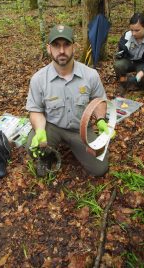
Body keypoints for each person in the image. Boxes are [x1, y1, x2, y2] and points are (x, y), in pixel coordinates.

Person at [25, 24, 110, 177]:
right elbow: (36, 110)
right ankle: (48, 153)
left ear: (74, 47)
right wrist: (39, 131)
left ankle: (76, 147)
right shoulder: (38, 79)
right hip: (53, 126)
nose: (62, 51)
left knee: (100, 169)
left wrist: (101, 120)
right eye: (56, 45)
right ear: (48, 48)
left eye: (66, 45)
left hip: (81, 130)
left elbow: (99, 100)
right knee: (33, 147)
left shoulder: (90, 75)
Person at [114, 12, 144, 91]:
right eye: (131, 30)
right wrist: (120, 54)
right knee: (118, 65)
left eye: (137, 30)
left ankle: (139, 84)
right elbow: (122, 51)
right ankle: (123, 82)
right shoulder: (127, 36)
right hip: (130, 61)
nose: (133, 33)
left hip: (143, 63)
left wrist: (142, 72)